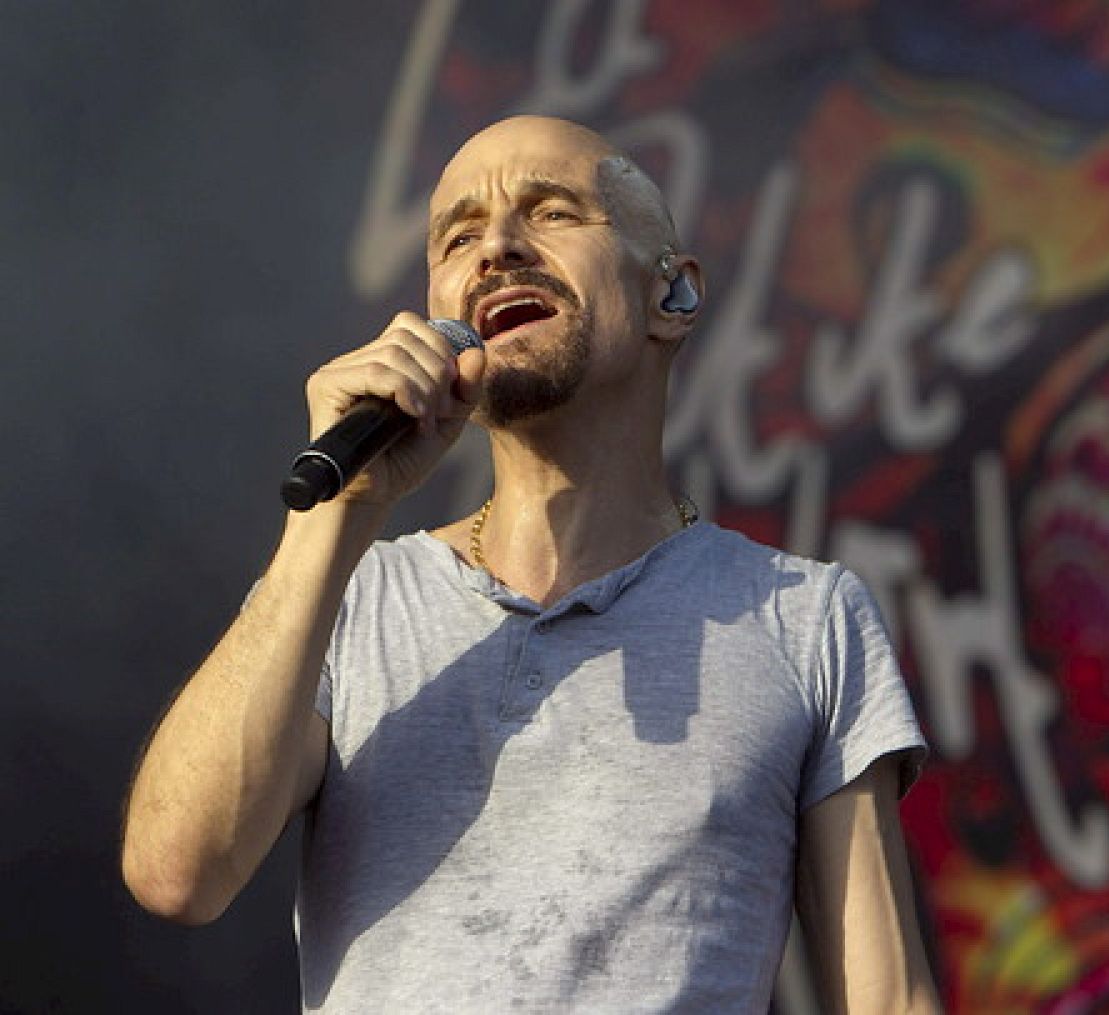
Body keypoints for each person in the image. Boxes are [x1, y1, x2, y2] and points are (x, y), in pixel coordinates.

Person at [121, 116, 939, 1013]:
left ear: (675, 296)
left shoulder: (804, 617)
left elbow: (887, 995)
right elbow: (177, 873)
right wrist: (339, 518)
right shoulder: (349, 600)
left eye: (551, 212)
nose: (499, 247)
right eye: (459, 235)